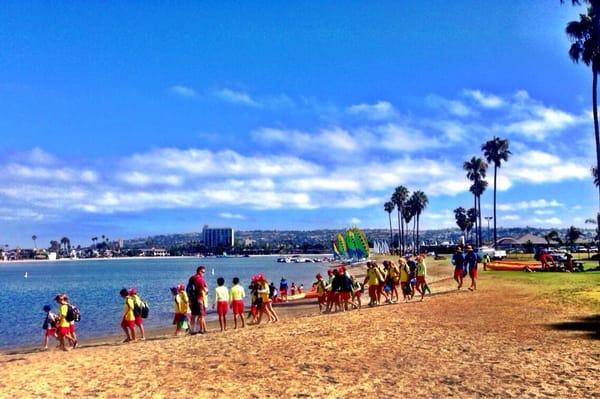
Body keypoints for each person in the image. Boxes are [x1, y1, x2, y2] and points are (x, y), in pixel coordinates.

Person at [187, 266, 208, 335]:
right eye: (203, 272)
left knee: (193, 315)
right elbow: (204, 289)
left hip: (192, 299)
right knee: (201, 315)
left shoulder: (192, 278)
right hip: (199, 299)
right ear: (199, 271)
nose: (203, 274)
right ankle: (201, 329)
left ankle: (192, 330)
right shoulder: (200, 279)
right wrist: (206, 290)